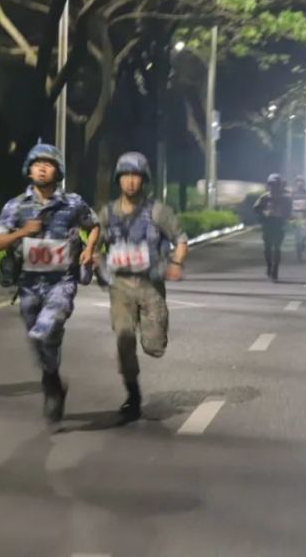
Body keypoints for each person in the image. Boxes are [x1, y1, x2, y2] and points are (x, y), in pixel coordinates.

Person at [0, 143, 100, 423]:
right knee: (40, 340)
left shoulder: (72, 203)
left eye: (48, 164)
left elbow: (94, 225)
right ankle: (52, 383)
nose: (41, 168)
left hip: (61, 281)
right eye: (37, 164)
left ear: (57, 171)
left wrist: (89, 249)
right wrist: (21, 232)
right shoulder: (16, 206)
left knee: (45, 328)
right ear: (29, 170)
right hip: (28, 284)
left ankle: (51, 383)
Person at [97, 152, 188, 421]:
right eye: (125, 175)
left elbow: (180, 239)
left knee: (153, 346)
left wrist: (176, 263)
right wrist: (94, 262)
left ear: (144, 180)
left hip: (150, 285)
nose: (130, 181)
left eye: (136, 176)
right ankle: (133, 395)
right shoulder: (107, 213)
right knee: (124, 338)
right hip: (120, 285)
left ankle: (156, 335)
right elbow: (94, 243)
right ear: (118, 179)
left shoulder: (158, 212)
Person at [253, 173, 292, 281]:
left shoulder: (285, 199)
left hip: (279, 224)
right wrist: (263, 216)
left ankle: (275, 270)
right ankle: (269, 265)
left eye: (276, 185)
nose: (274, 187)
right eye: (272, 184)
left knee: (277, 248)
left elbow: (288, 212)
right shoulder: (264, 197)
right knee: (267, 248)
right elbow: (256, 209)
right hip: (268, 224)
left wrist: (284, 217)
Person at [290, 175, 306, 260]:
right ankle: (298, 252)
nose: (300, 183)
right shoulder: (293, 192)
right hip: (295, 215)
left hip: (304, 214)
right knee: (297, 235)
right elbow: (290, 203)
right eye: (298, 181)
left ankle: (303, 243)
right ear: (296, 183)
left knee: (305, 234)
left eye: (301, 181)